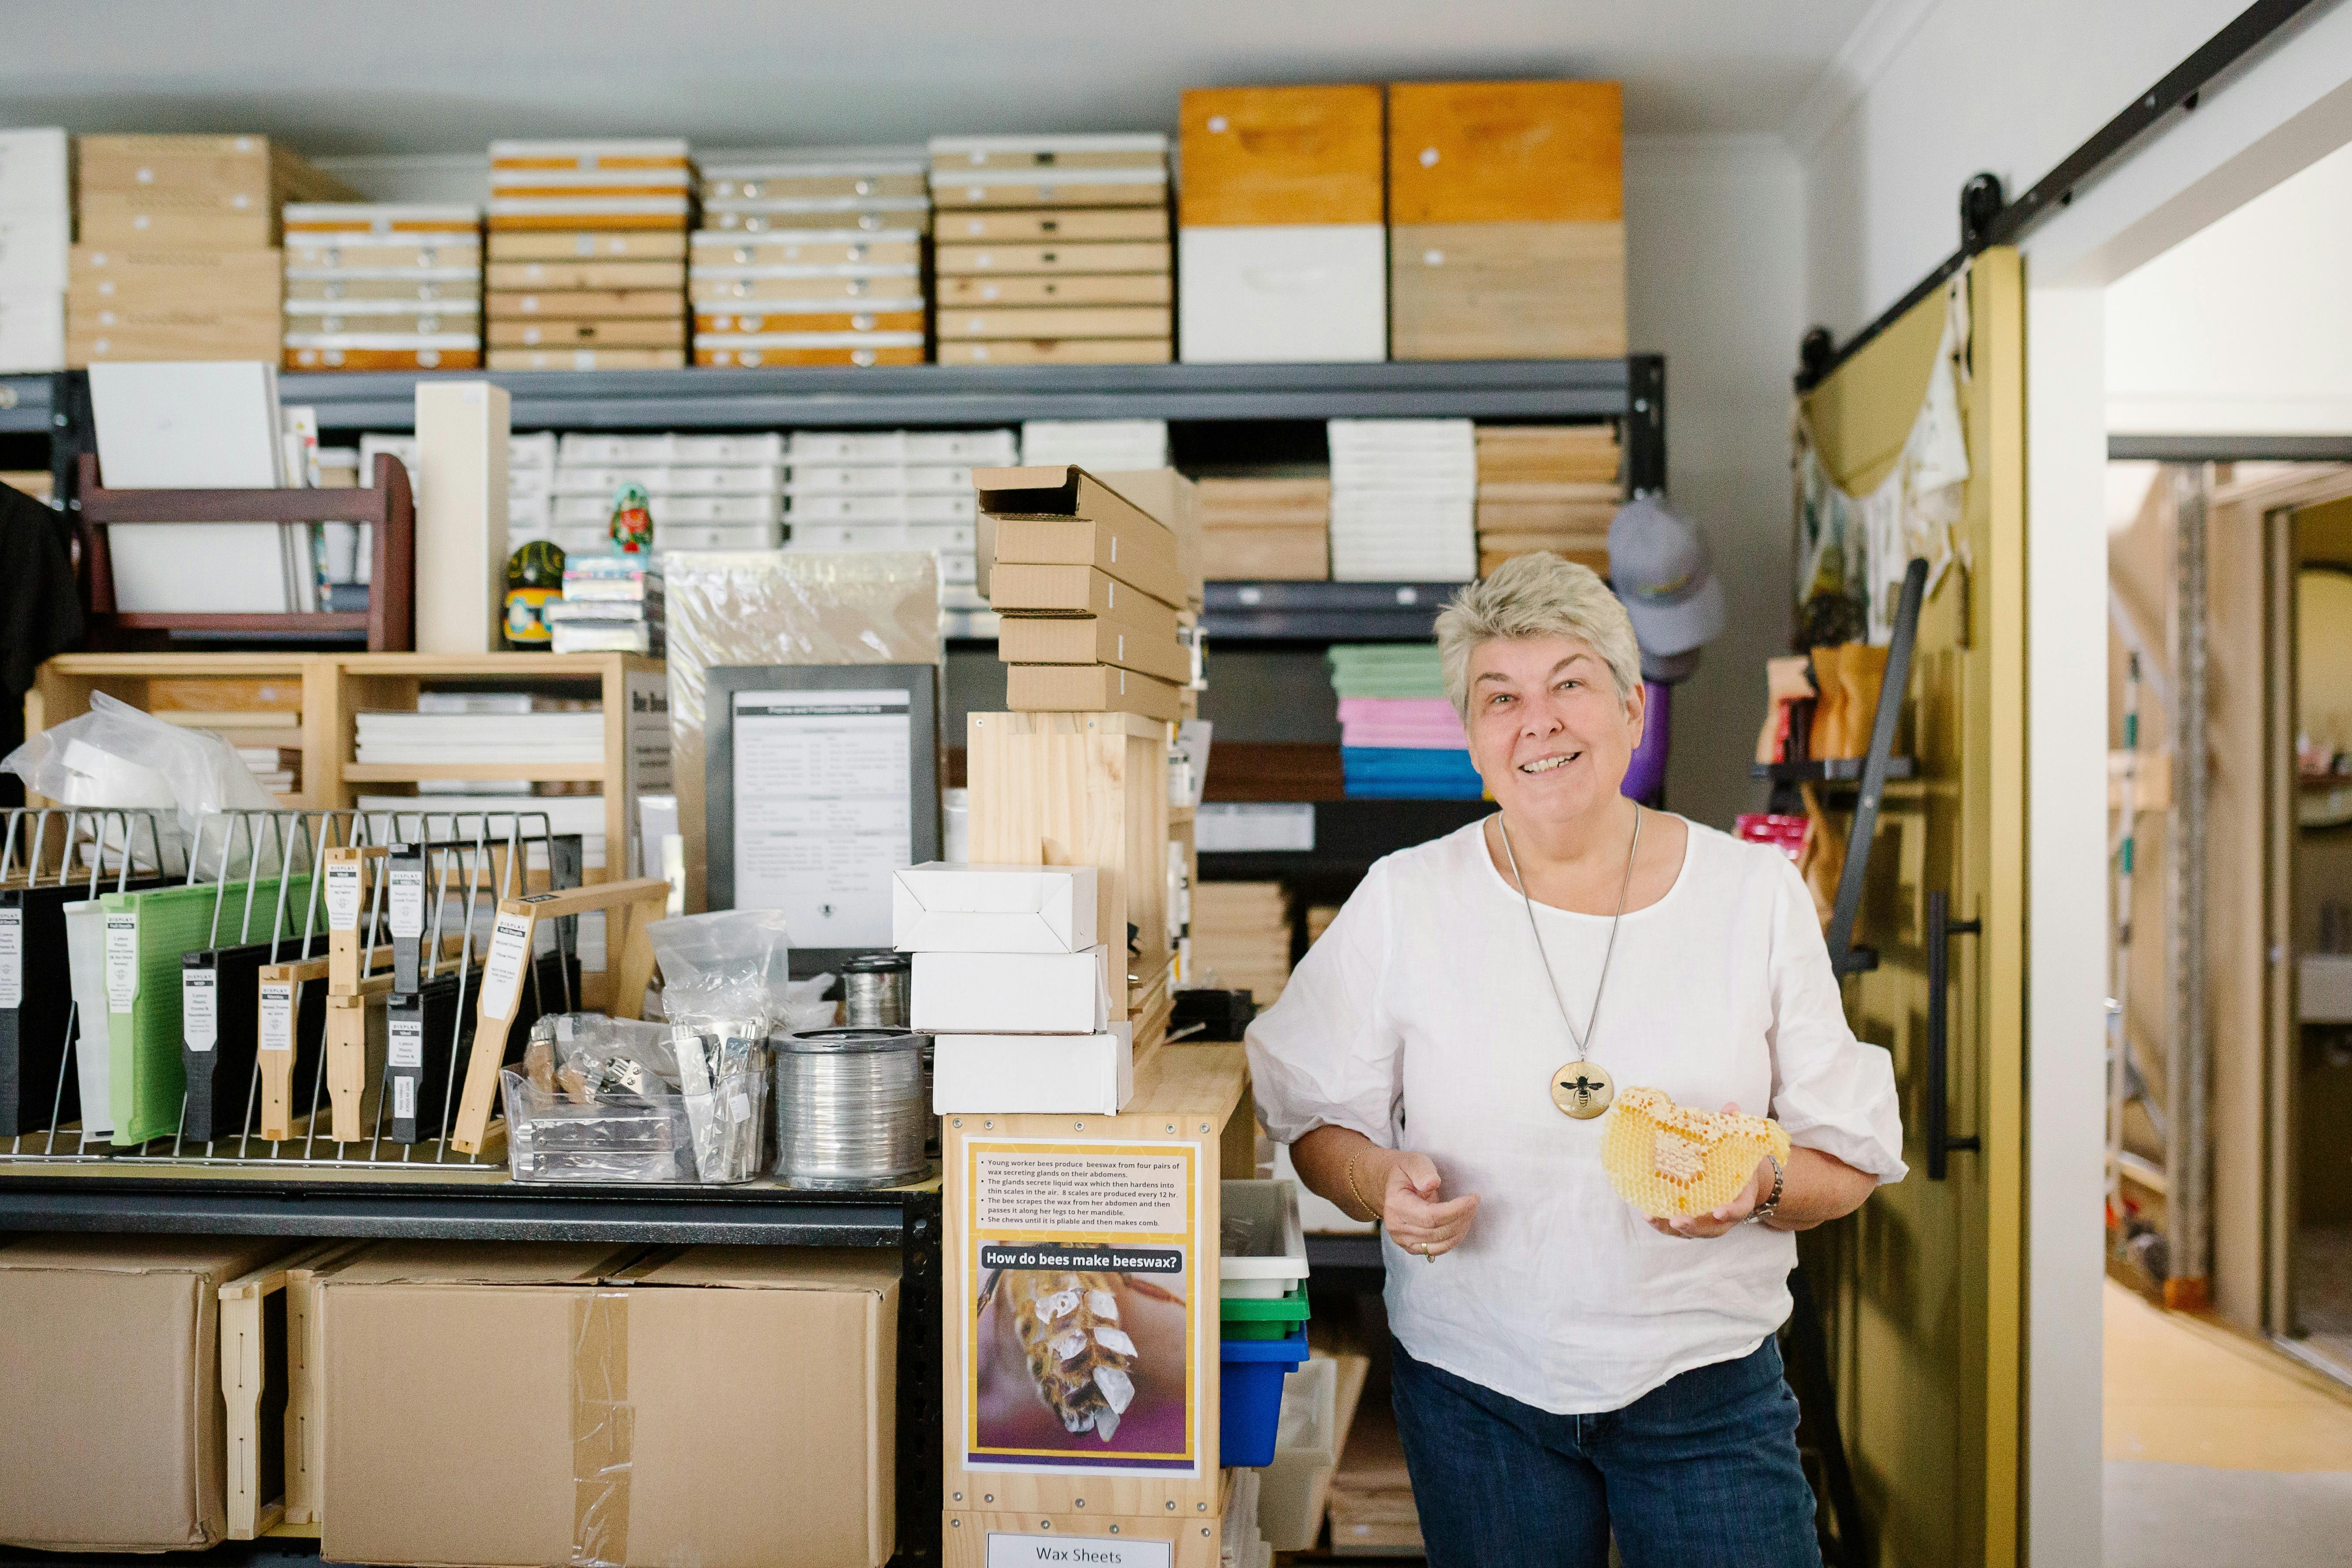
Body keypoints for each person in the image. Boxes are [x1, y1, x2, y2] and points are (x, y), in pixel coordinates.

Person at [1246, 552, 1905, 1568]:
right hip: (1477, 1396)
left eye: (1568, 683)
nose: (1535, 721)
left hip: (1706, 1389)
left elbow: (1850, 1156)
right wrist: (1379, 1183)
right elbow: (1310, 1118)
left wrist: (1759, 1180)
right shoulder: (1404, 899)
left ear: (1632, 709)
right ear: (1471, 739)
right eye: (1498, 697)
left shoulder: (1750, 896)